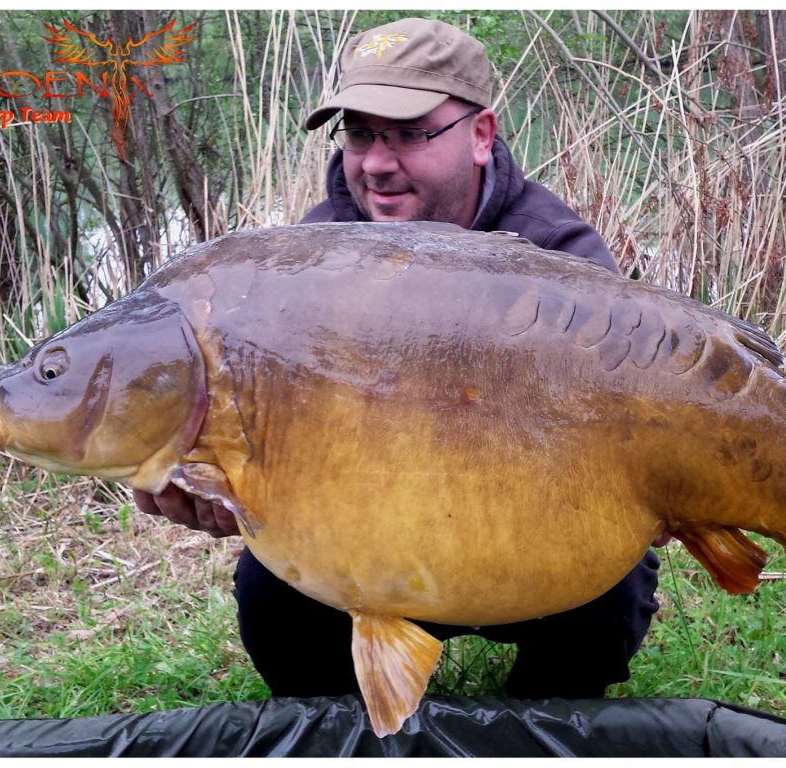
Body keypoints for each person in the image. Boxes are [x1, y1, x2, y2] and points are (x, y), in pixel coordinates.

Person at [134, 16, 662, 701]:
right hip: (369, 540)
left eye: (409, 133)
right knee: (269, 590)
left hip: (526, 536)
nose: (376, 162)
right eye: (359, 133)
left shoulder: (560, 257)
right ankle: (338, 721)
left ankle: (544, 717)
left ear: (480, 135)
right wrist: (223, 482)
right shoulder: (305, 263)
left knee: (616, 582)